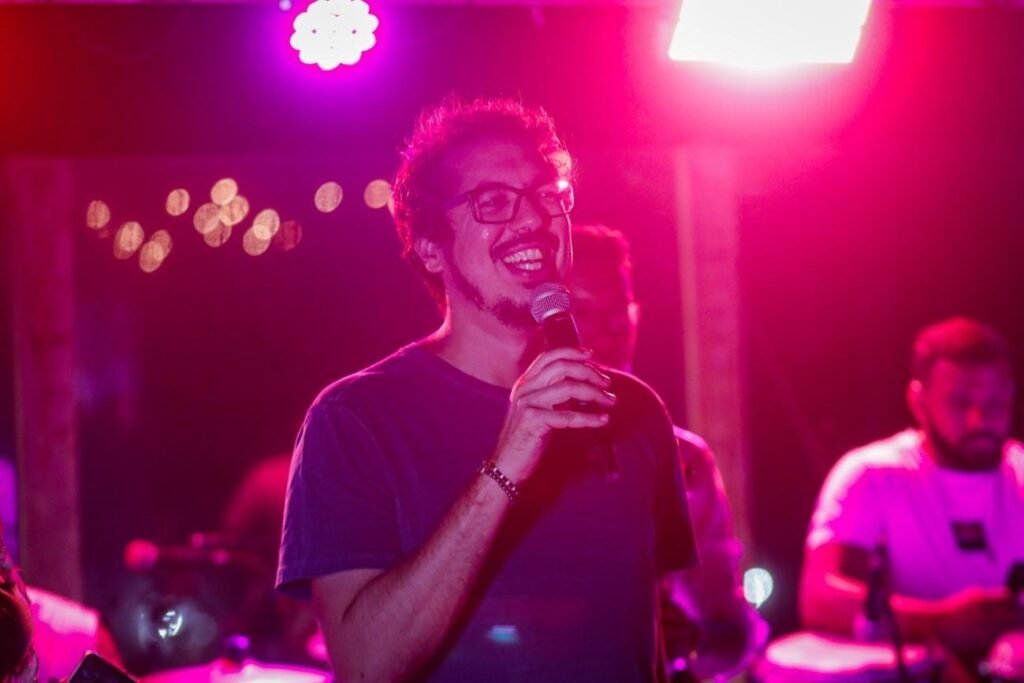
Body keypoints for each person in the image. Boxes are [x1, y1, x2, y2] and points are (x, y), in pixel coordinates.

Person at [276, 97, 696, 682]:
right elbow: (365, 665)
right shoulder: (354, 419)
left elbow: (646, 643)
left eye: (547, 196)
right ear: (431, 248)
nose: (533, 221)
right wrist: (507, 464)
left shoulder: (635, 410)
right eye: (493, 202)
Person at [567, 223, 765, 680]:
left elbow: (728, 625)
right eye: (585, 311)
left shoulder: (685, 458)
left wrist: (692, 638)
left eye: (620, 308)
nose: (612, 328)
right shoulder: (515, 451)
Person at [800, 317, 1024, 679]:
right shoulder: (872, 475)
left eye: (995, 403)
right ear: (919, 401)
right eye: (960, 402)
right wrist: (940, 622)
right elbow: (820, 599)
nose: (979, 419)